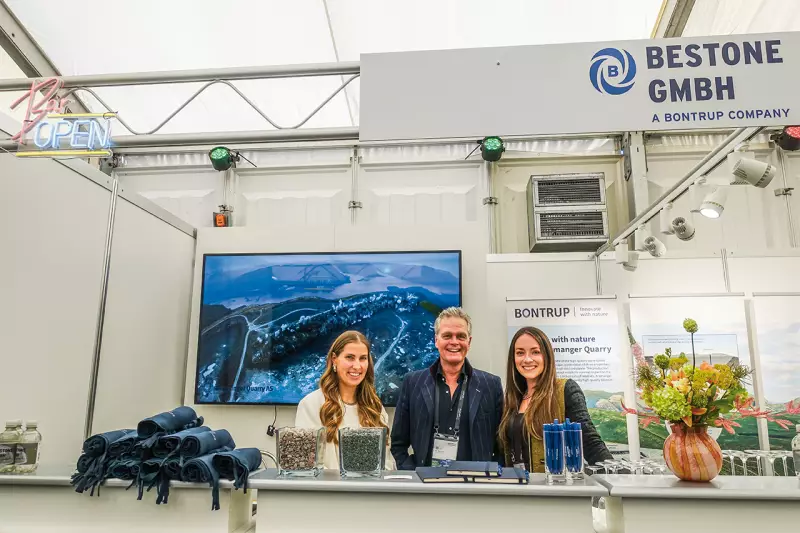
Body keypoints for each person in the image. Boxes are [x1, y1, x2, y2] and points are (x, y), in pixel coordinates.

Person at [391, 307, 504, 470]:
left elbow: (501, 445)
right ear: (436, 340)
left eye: (461, 336)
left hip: (476, 488)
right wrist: (413, 474)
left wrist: (489, 476)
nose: (454, 342)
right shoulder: (413, 383)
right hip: (426, 487)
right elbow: (398, 443)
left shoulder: (491, 386)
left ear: (469, 342)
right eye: (447, 336)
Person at [498, 326, 613, 472]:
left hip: (555, 488)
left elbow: (589, 442)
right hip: (518, 488)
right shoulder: (512, 398)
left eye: (535, 352)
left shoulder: (564, 390)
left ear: (547, 356)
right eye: (520, 353)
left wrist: (617, 479)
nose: (527, 359)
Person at [295, 330, 395, 470]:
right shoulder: (311, 405)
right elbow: (307, 464)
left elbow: (387, 463)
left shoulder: (375, 408)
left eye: (362, 358)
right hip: (327, 491)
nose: (357, 366)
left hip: (370, 491)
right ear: (334, 359)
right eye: (350, 357)